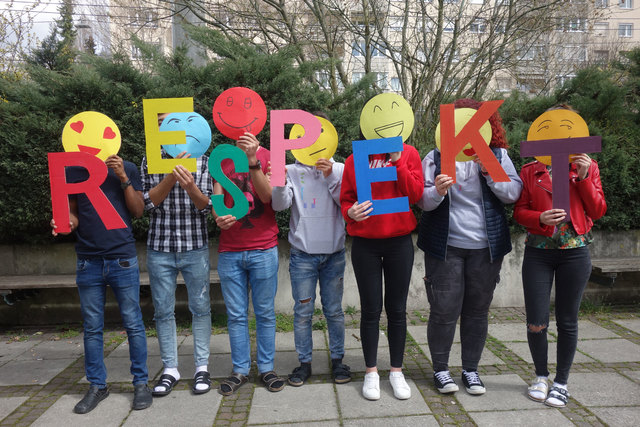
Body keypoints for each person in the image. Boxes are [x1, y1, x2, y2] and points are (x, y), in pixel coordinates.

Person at [417, 98, 522, 396]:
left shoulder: (495, 155)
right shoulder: (436, 156)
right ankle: (440, 370)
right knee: (443, 310)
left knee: (477, 311)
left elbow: (513, 193)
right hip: (445, 246)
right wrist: (437, 191)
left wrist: (490, 172)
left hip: (486, 248)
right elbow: (422, 200)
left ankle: (470, 370)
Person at [514, 105, 606, 407]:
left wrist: (582, 177)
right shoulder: (530, 170)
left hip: (574, 253)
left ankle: (561, 382)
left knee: (568, 321)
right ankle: (541, 376)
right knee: (536, 321)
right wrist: (540, 217)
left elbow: (598, 210)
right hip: (538, 253)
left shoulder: (588, 167)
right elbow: (519, 212)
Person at [51, 154, 152, 414]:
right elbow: (72, 216)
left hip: (122, 259)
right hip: (88, 261)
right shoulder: (73, 170)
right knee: (92, 327)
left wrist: (123, 177)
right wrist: (63, 224)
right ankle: (97, 385)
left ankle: (141, 383)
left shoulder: (126, 167)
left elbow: (138, 210)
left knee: (133, 323)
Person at [340, 131, 424, 401]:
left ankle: (396, 371)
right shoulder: (355, 159)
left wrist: (398, 161)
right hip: (366, 244)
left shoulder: (409, 153)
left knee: (397, 310)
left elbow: (415, 194)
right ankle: (371, 372)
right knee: (370, 310)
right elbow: (346, 198)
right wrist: (349, 212)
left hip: (399, 242)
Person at [141, 113, 214, 396]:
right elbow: (147, 204)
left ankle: (202, 367)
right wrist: (172, 175)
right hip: (160, 247)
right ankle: (170, 368)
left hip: (195, 246)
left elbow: (207, 207)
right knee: (162, 310)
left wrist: (190, 185)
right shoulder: (152, 159)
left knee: (201, 307)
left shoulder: (203, 160)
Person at [271, 132, 351, 387]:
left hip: (334, 253)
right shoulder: (291, 170)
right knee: (303, 312)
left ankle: (338, 361)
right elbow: (279, 205)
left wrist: (331, 178)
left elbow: (346, 203)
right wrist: (280, 181)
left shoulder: (339, 167)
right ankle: (304, 363)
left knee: (334, 311)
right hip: (302, 254)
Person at [214, 132, 285, 394]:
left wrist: (253, 160)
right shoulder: (221, 158)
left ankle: (266, 368)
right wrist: (219, 217)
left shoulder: (271, 157)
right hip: (230, 250)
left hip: (264, 248)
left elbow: (269, 199)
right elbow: (217, 202)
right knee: (236, 315)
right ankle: (240, 370)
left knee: (265, 313)